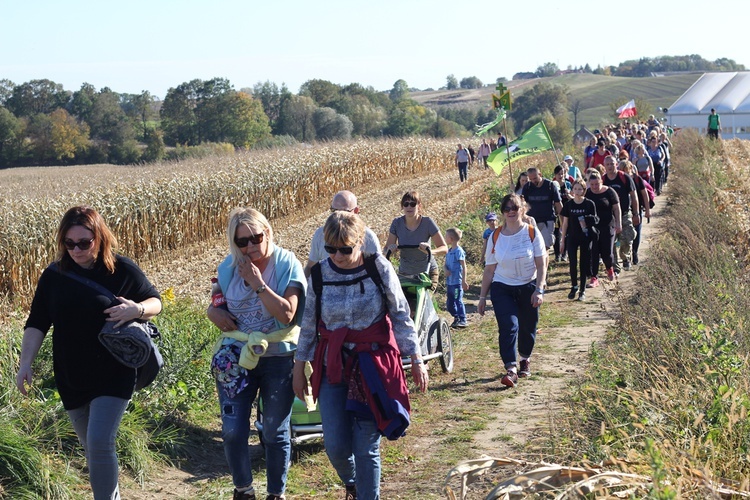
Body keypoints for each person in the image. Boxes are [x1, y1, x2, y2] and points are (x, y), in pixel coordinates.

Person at [16, 205, 163, 500]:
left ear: (99, 238)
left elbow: (156, 301)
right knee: (93, 447)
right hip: (71, 375)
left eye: (84, 242)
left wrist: (137, 309)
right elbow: (37, 323)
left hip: (114, 373)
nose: (76, 249)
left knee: (98, 443)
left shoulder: (120, 269)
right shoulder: (54, 276)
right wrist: (25, 364)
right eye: (69, 243)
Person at [293, 211, 428, 500]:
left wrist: (415, 358)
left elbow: (400, 314)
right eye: (331, 249)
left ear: (361, 241)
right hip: (334, 366)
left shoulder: (377, 268)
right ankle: (352, 483)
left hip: (373, 365)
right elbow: (308, 324)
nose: (338, 255)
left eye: (345, 248)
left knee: (366, 446)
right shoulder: (318, 275)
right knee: (336, 445)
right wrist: (299, 365)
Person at [207, 207, 306, 500]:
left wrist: (258, 283)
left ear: (267, 232)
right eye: (241, 242)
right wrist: (214, 312)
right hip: (237, 357)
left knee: (275, 431)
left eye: (255, 238)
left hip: (280, 356)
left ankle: (276, 493)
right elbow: (217, 303)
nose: (250, 246)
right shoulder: (227, 268)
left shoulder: (287, 263)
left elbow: (287, 314)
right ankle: (243, 490)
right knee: (233, 431)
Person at [478, 194, 547, 388]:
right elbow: (489, 269)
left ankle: (525, 358)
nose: (510, 212)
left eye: (514, 208)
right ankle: (511, 368)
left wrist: (539, 289)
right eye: (506, 209)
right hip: (502, 287)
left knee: (528, 325)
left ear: (522, 210)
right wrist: (482, 297)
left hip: (528, 286)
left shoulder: (532, 233)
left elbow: (541, 264)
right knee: (509, 326)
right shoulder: (496, 236)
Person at [305, 190, 381, 277]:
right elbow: (310, 267)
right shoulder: (320, 234)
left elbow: (378, 270)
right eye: (334, 211)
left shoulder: (369, 237)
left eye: (344, 211)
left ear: (356, 211)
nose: (338, 216)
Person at [385, 191, 448, 291]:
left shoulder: (428, 223)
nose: (409, 207)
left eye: (413, 204)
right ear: (402, 207)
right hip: (405, 274)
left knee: (422, 304)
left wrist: (430, 251)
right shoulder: (397, 223)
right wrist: (390, 250)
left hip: (426, 274)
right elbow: (386, 250)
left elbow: (444, 248)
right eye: (406, 204)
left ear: (419, 206)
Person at [559, 180, 598, 301]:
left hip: (585, 237)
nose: (577, 191)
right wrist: (562, 240)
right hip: (572, 237)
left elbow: (595, 219)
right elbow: (565, 223)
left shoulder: (589, 204)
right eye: (575, 189)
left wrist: (588, 220)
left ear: (584, 190)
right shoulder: (569, 204)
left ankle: (582, 290)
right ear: (572, 190)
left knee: (584, 263)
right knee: (572, 263)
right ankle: (574, 286)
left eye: (580, 189)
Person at [603, 156, 639, 272]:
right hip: (609, 217)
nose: (610, 166)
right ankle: (614, 266)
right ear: (604, 166)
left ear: (616, 164)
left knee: (627, 238)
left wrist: (636, 213)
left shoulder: (624, 178)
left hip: (624, 213)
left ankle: (625, 258)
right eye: (607, 164)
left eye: (612, 164)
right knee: (610, 241)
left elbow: (634, 196)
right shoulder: (603, 180)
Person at [585, 171, 621, 287]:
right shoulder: (588, 193)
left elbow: (616, 208)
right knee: (593, 252)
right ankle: (594, 277)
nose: (595, 187)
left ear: (601, 181)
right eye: (592, 184)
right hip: (593, 227)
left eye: (597, 184)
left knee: (607, 252)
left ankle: (609, 268)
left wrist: (618, 223)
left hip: (608, 225)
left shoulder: (609, 192)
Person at [520, 166, 563, 253]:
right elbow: (523, 205)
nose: (533, 181)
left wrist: (563, 222)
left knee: (545, 246)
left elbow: (558, 204)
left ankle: (544, 265)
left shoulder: (550, 186)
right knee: (534, 246)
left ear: (540, 174)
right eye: (530, 179)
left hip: (547, 220)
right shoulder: (527, 187)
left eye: (535, 178)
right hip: (532, 221)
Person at [618, 160, 652, 266]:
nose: (623, 172)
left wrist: (647, 210)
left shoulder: (637, 179)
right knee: (626, 235)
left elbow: (644, 195)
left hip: (637, 210)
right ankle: (626, 255)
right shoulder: (620, 180)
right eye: (621, 170)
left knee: (636, 233)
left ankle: (635, 253)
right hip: (624, 211)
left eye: (625, 170)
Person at [444, 227, 468, 328]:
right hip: (449, 282)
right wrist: (445, 270)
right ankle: (456, 316)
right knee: (449, 303)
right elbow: (445, 264)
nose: (445, 238)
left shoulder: (459, 251)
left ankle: (463, 319)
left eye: (446, 237)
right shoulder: (449, 251)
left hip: (457, 282)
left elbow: (464, 266)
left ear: (451, 238)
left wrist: (464, 281)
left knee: (458, 300)